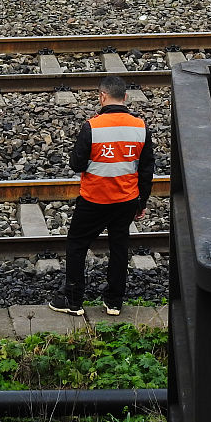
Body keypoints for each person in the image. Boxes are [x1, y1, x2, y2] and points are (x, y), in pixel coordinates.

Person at [50, 75, 155, 317]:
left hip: (94, 200)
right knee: (119, 247)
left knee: (77, 245)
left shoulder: (92, 126)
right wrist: (142, 202)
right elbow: (146, 168)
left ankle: (73, 300)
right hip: (127, 199)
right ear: (125, 98)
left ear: (102, 96)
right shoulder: (140, 127)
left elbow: (76, 164)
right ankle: (114, 302)